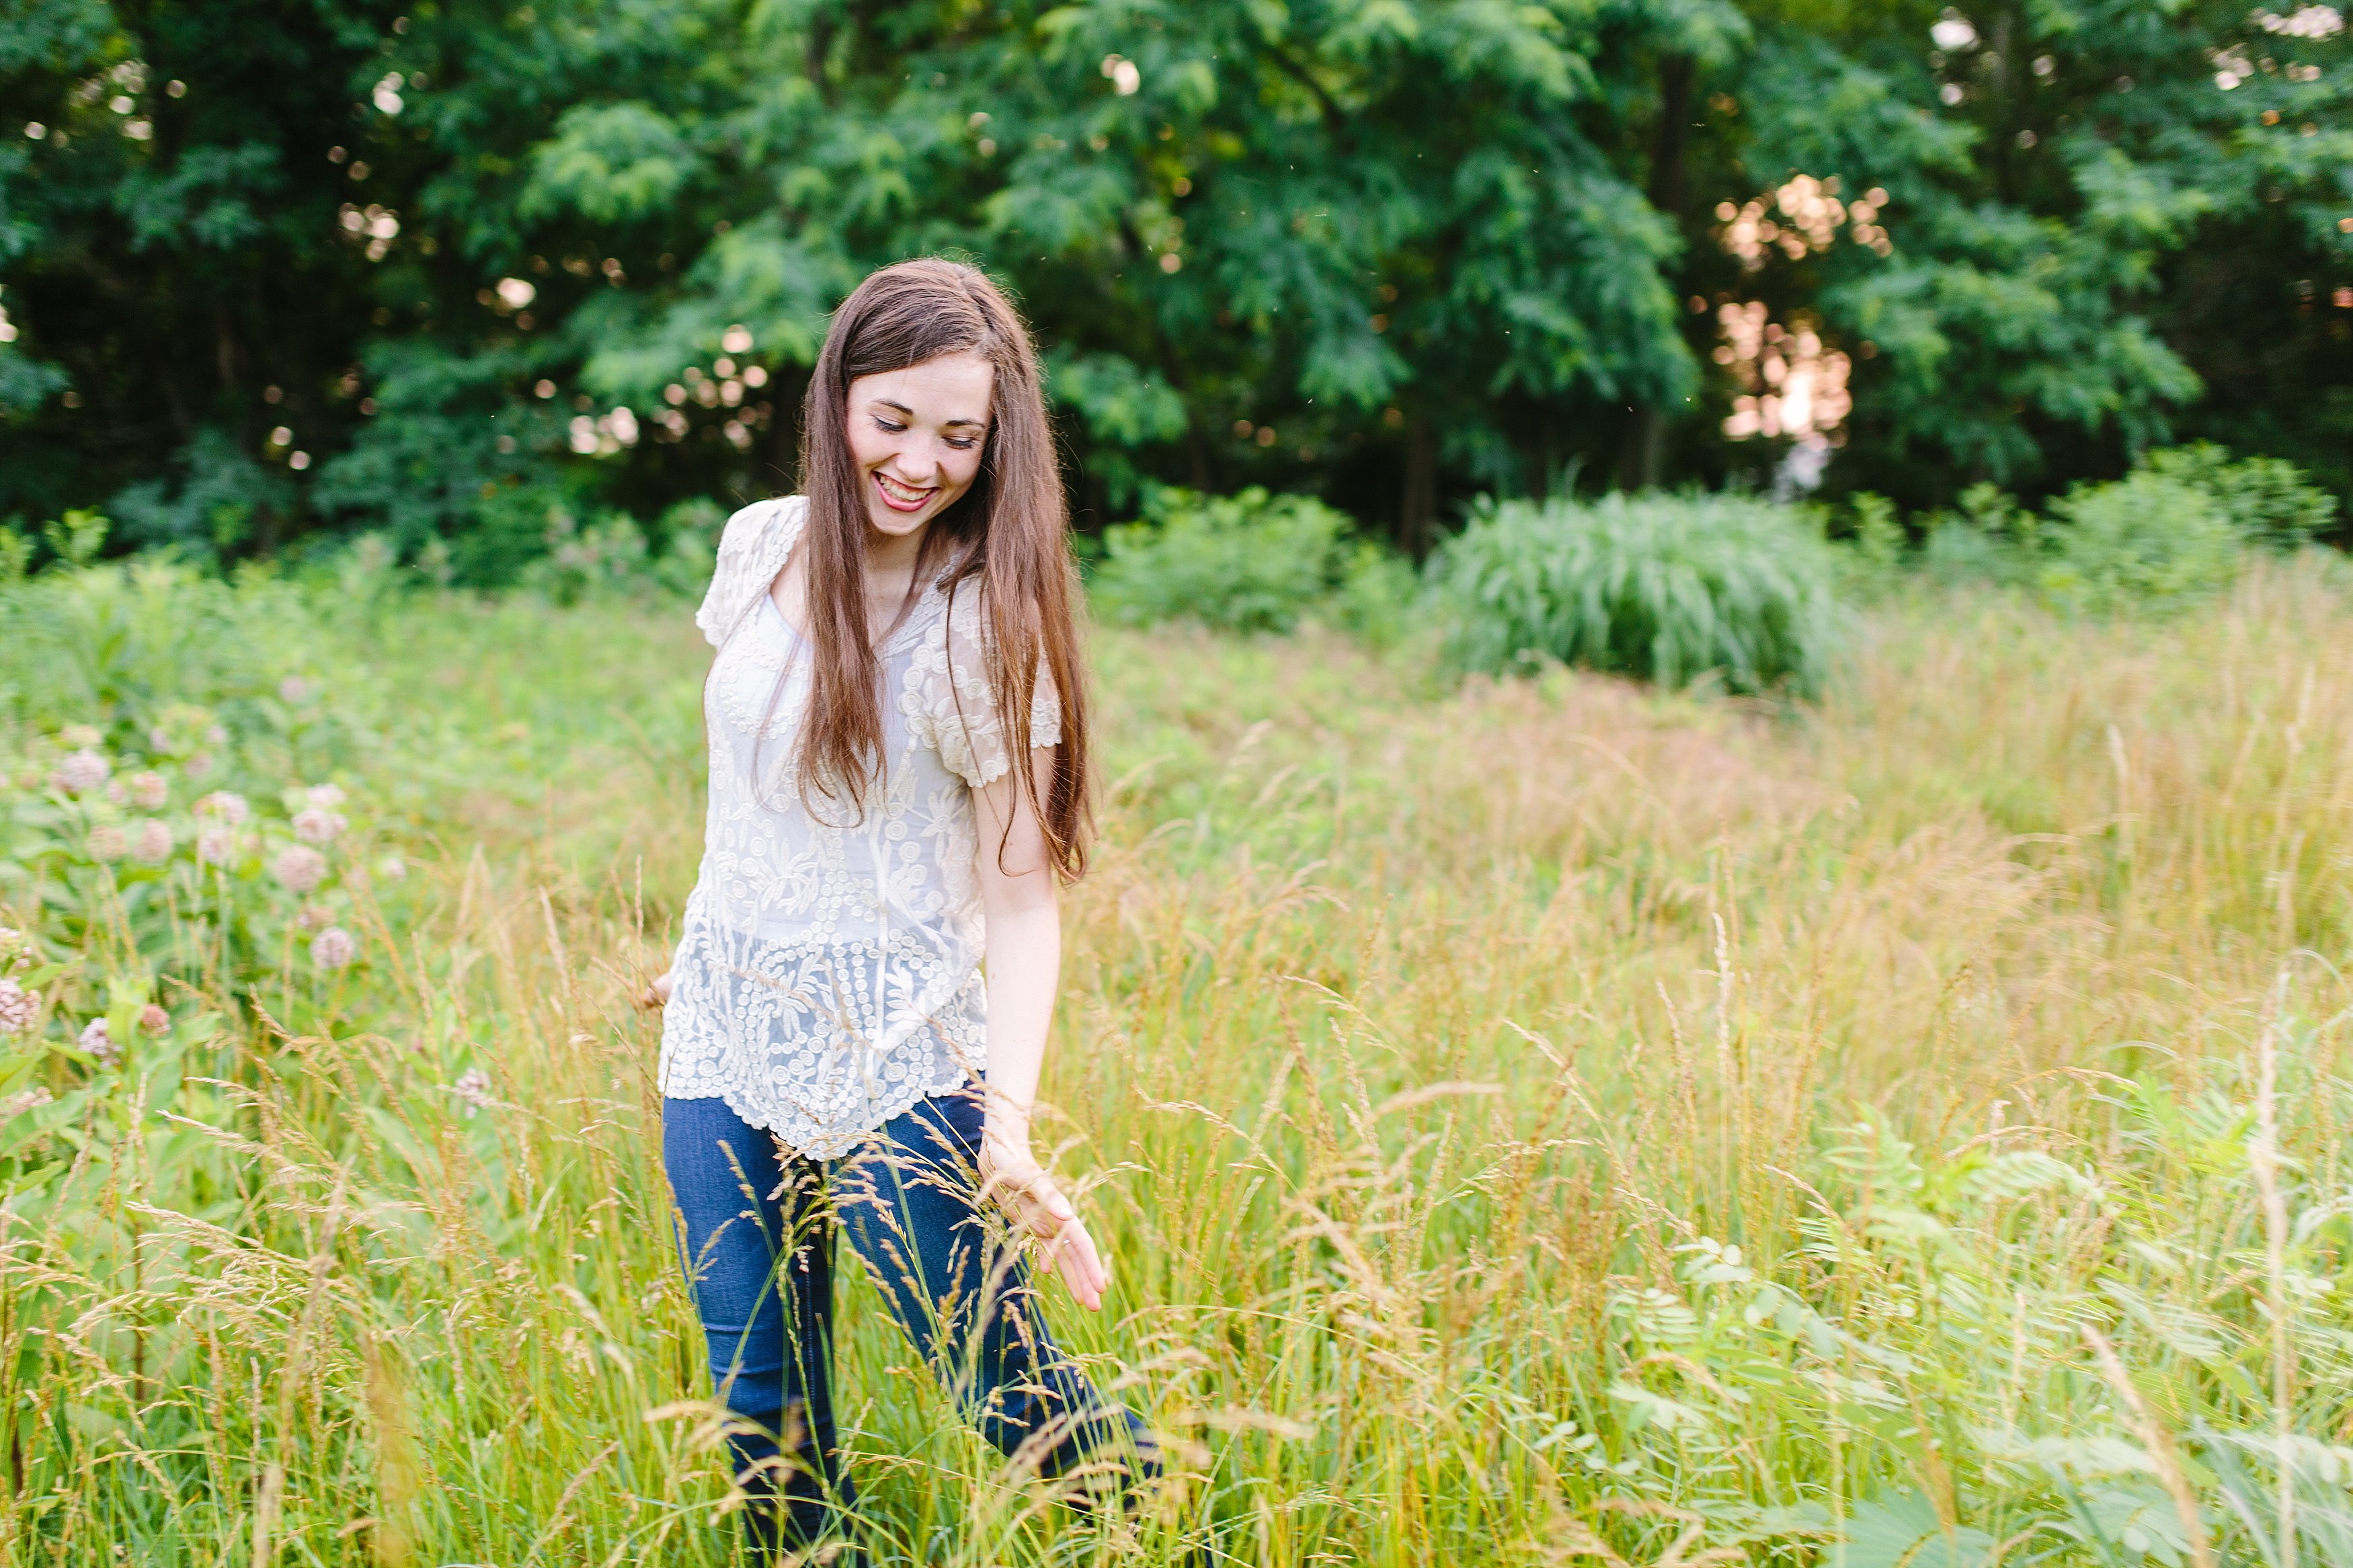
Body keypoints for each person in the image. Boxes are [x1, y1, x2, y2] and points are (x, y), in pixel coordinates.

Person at [649, 258, 1156, 1555]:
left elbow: (1023, 896)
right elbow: (757, 791)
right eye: (894, 420)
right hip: (722, 1033)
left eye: (958, 436)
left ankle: (1161, 1527)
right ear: (837, 401)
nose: (920, 462)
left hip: (899, 1046)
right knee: (765, 1419)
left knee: (1005, 1389)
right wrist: (712, 942)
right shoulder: (759, 543)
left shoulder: (983, 625)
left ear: (996, 447)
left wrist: (1010, 1125)